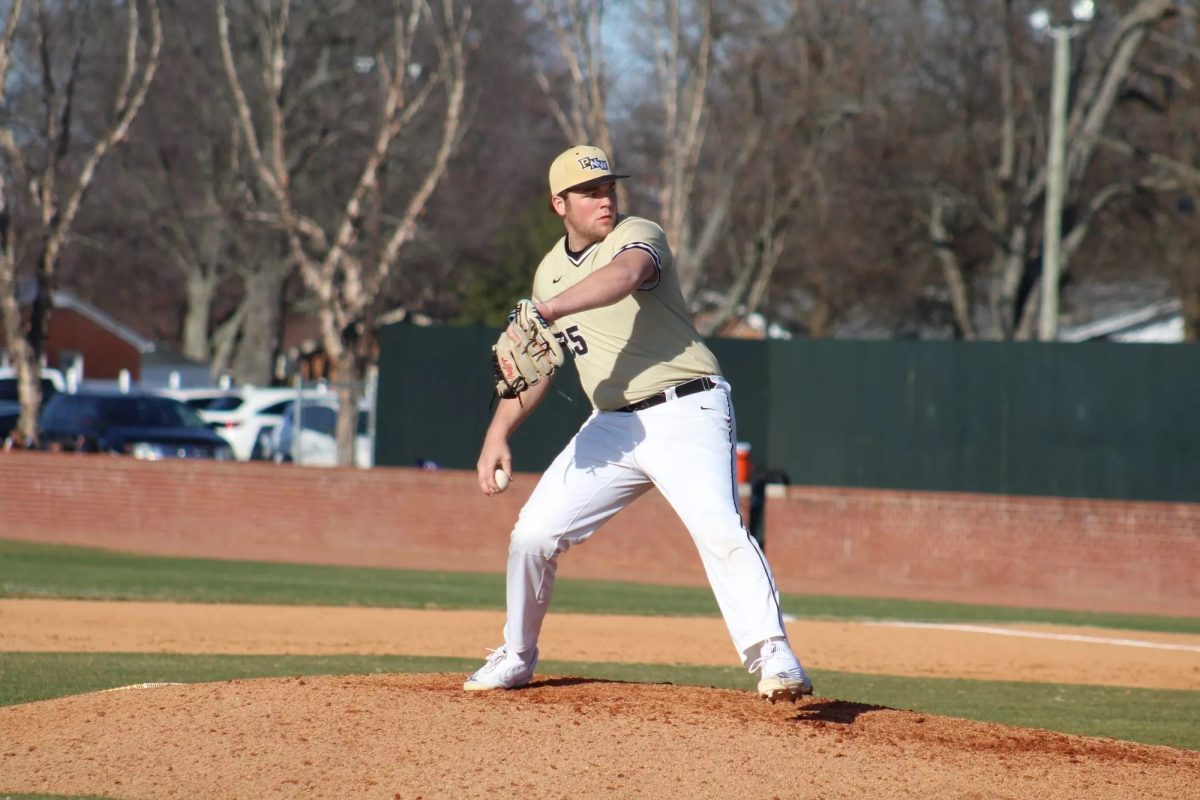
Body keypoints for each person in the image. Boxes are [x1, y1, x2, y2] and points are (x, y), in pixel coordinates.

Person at [467, 145, 812, 703]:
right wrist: (497, 434)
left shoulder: (638, 233)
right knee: (532, 535)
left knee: (719, 527)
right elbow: (536, 365)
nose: (604, 198)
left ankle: (772, 653)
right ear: (559, 203)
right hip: (612, 426)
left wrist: (549, 309)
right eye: (589, 192)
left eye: (608, 187)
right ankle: (516, 655)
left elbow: (627, 275)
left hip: (687, 409)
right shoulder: (548, 275)